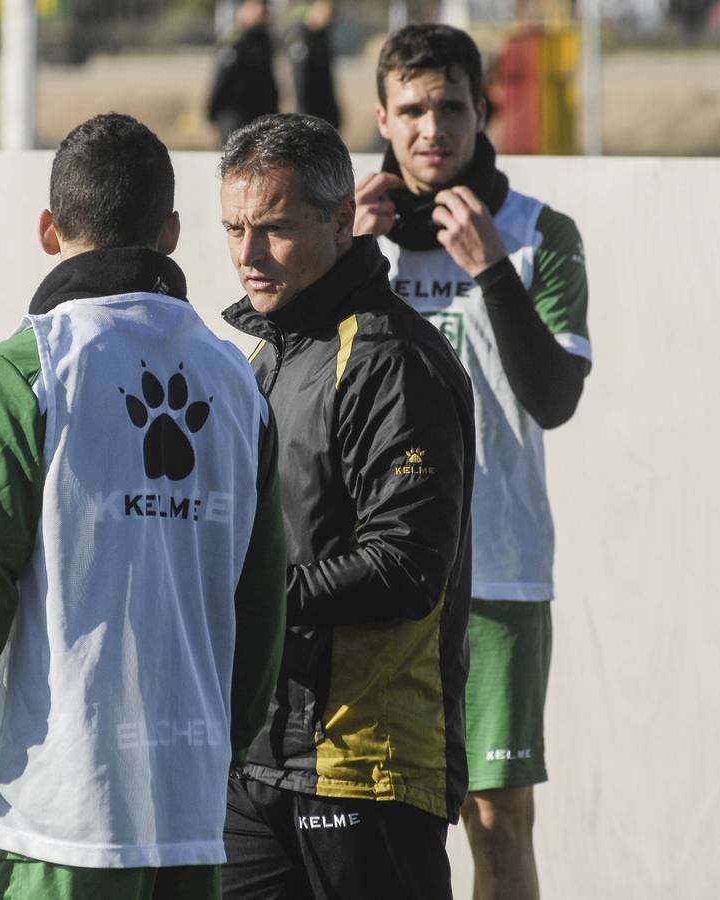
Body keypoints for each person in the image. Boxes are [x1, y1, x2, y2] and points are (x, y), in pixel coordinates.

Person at [0, 112, 288, 899]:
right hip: (188, 808)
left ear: (46, 229)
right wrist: (221, 756)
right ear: (169, 232)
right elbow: (261, 600)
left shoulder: (20, 371)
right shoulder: (239, 383)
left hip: (64, 811)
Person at [353, 24, 591, 900]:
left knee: (494, 824)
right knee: (371, 817)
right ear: (381, 116)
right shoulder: (354, 232)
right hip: (374, 569)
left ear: (478, 108)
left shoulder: (537, 234)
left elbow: (554, 399)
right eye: (410, 110)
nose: (430, 129)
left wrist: (491, 274)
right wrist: (346, 256)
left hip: (497, 573)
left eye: (448, 106)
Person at [218, 112, 475, 899]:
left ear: (340, 221)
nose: (247, 256)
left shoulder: (392, 359)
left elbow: (405, 567)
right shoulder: (261, 352)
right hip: (253, 756)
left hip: (367, 766)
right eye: (232, 228)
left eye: (273, 229)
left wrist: (245, 598)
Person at [207, 0, 281, 146]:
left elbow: (270, 82)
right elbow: (220, 82)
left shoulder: (265, 40)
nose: (261, 10)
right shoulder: (234, 40)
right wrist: (211, 116)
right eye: (255, 5)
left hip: (262, 115)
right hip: (235, 117)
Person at [289, 0, 341, 130]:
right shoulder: (301, 38)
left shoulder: (324, 37)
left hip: (326, 114)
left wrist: (334, 113)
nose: (328, 15)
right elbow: (300, 86)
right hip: (308, 118)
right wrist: (303, 120)